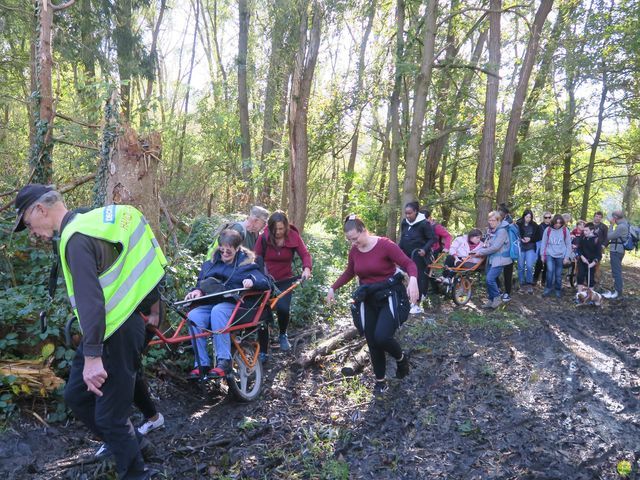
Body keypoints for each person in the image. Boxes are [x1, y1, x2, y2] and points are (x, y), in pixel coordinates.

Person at [13, 184, 166, 480]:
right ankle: (135, 445)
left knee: (110, 417)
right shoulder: (85, 220)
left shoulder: (76, 238)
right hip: (109, 329)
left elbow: (91, 302)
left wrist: (93, 356)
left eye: (29, 224)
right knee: (77, 395)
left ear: (40, 210)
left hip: (115, 333)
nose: (32, 231)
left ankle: (138, 473)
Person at [326, 215, 418, 396]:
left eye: (355, 238)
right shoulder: (354, 250)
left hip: (389, 296)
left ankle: (401, 359)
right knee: (372, 340)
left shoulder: (385, 245)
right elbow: (350, 272)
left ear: (363, 230)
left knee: (382, 337)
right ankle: (380, 382)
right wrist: (333, 288)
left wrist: (413, 280)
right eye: (350, 240)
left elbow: (408, 263)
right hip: (368, 298)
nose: (353, 242)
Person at [184, 229, 270, 377]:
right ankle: (201, 363)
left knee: (219, 311)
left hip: (237, 306)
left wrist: (252, 281)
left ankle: (224, 361)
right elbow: (201, 283)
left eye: (228, 251)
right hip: (211, 303)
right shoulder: (210, 264)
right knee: (193, 316)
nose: (224, 254)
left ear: (237, 249)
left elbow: (264, 281)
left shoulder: (247, 263)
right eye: (222, 250)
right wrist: (197, 290)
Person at [255, 211, 312, 353]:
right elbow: (255, 257)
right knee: (263, 313)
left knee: (283, 309)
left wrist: (307, 268)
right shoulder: (263, 238)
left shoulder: (293, 237)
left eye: (281, 229)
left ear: (286, 227)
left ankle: (282, 334)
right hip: (265, 281)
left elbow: (305, 254)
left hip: (285, 280)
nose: (278, 232)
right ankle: (262, 350)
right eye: (275, 229)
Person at [398, 201, 435, 313]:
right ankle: (404, 299)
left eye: (410, 213)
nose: (408, 216)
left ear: (416, 212)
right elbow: (403, 238)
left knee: (417, 278)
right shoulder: (404, 223)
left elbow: (432, 239)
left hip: (418, 255)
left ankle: (416, 303)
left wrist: (424, 249)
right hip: (405, 254)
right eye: (406, 213)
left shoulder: (424, 223)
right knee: (402, 275)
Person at [473, 211, 512, 309]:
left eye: (493, 220)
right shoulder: (491, 230)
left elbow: (496, 247)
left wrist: (481, 253)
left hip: (500, 259)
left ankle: (497, 297)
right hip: (491, 259)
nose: (491, 222)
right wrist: (477, 251)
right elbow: (487, 245)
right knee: (489, 280)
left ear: (498, 220)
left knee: (489, 279)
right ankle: (491, 300)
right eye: (489, 220)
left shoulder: (502, 231)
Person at [541, 214, 572, 298]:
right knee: (550, 271)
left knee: (558, 274)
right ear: (553, 222)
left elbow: (569, 245)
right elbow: (543, 243)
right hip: (549, 254)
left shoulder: (565, 230)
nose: (558, 224)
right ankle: (548, 288)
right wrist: (542, 255)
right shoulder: (548, 230)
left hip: (561, 255)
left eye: (560, 223)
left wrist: (566, 257)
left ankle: (558, 289)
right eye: (556, 223)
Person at [603, 210, 629, 299]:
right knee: (616, 271)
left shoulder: (621, 226)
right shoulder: (624, 224)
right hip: (618, 251)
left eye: (612, 217)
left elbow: (609, 236)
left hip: (616, 251)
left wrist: (611, 225)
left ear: (615, 218)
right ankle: (617, 290)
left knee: (616, 272)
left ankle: (618, 292)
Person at [516, 209, 539, 294]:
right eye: (527, 217)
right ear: (524, 216)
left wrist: (530, 239)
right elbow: (515, 234)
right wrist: (521, 239)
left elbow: (537, 237)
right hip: (521, 247)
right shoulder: (518, 224)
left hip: (530, 247)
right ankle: (522, 283)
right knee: (521, 266)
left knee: (529, 266)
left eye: (530, 217)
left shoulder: (535, 225)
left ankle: (529, 283)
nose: (528, 218)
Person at [496, 204, 515, 302]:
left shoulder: (509, 223)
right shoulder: (496, 221)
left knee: (508, 273)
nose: (498, 212)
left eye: (500, 211)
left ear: (505, 213)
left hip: (507, 251)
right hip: (497, 251)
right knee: (493, 271)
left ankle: (507, 292)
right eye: (498, 210)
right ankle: (498, 289)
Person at [576, 222, 601, 293]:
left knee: (590, 278)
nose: (584, 232)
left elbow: (599, 255)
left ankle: (591, 295)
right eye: (584, 230)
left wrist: (593, 263)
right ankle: (579, 293)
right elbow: (579, 249)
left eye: (586, 230)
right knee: (580, 276)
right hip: (582, 261)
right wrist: (582, 257)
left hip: (591, 262)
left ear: (592, 230)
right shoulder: (582, 237)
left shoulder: (596, 240)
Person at [533, 211, 553, 286]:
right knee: (539, 263)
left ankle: (543, 280)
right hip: (541, 246)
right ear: (543, 218)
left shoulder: (553, 226)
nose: (547, 219)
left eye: (549, 217)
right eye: (546, 217)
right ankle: (535, 278)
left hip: (551, 247)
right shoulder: (540, 226)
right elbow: (537, 237)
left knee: (548, 264)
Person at [592, 211, 609, 284]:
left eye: (600, 217)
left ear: (601, 218)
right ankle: (586, 281)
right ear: (594, 216)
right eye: (596, 216)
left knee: (596, 264)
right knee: (586, 263)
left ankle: (596, 280)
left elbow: (607, 238)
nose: (598, 218)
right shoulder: (589, 225)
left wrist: (604, 245)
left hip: (598, 248)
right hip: (588, 248)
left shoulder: (604, 227)